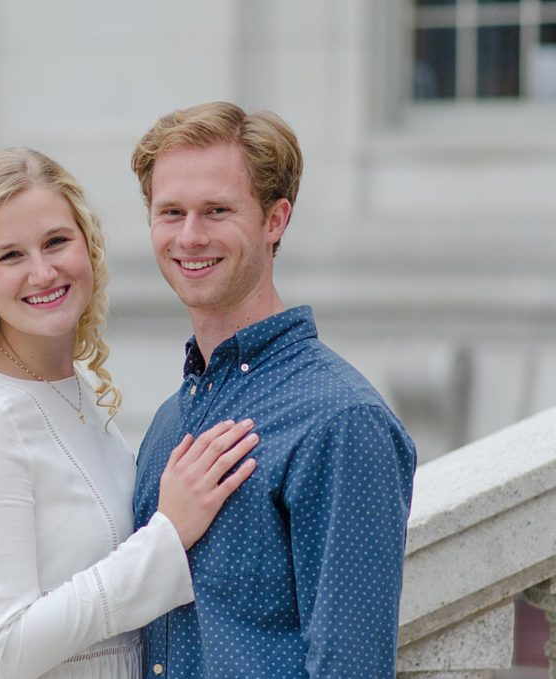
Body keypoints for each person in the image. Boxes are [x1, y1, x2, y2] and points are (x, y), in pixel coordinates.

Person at [0, 147, 259, 679]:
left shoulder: (73, 388)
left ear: (88, 245)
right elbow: (9, 647)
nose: (43, 271)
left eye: (56, 242)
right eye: (10, 256)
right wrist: (168, 534)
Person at [130, 101, 418, 678]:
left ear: (274, 220)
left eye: (216, 210)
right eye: (171, 211)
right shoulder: (169, 419)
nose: (189, 236)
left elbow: (351, 666)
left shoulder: (341, 420)